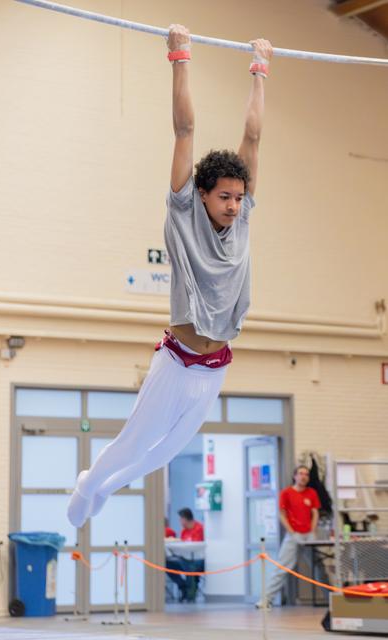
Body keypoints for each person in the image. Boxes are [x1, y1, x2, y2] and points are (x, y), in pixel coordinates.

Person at [67, 25, 273, 528]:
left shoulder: (243, 217)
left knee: (163, 456)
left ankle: (102, 486)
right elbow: (184, 131)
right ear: (202, 194)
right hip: (178, 361)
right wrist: (181, 56)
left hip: (216, 364)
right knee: (136, 441)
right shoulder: (184, 211)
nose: (232, 205)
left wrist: (260, 68)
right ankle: (88, 484)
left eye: (238, 197)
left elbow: (252, 135)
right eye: (223, 197)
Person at [257, 465, 321, 609]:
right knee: (282, 567)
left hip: (309, 535)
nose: (303, 477)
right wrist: (292, 532)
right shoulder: (286, 493)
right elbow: (282, 514)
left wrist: (312, 531)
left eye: (306, 474)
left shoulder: (312, 493)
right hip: (293, 535)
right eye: (300, 474)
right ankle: (266, 599)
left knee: (319, 566)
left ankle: (332, 597)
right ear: (295, 476)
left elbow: (315, 513)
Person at [166, 508, 205, 602]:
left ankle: (190, 592)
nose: (179, 521)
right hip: (185, 559)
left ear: (186, 519)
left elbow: (196, 545)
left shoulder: (199, 528)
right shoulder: (184, 531)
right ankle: (182, 586)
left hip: (198, 560)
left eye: (181, 519)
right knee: (168, 564)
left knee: (189, 566)